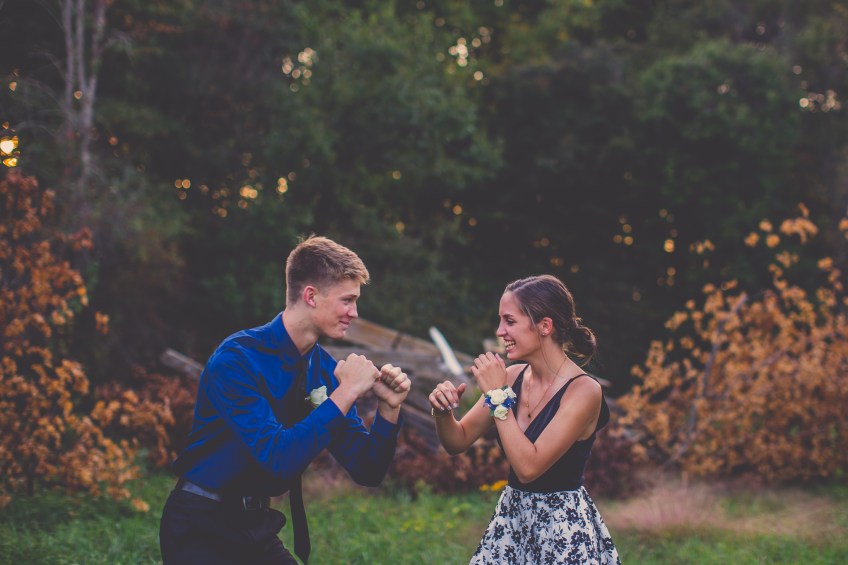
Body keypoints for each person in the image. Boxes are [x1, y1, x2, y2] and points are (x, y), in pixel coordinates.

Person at [160, 235, 411, 565]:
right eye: (347, 300)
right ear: (311, 296)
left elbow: (368, 469)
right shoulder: (237, 360)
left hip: (255, 526)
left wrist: (389, 408)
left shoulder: (324, 370)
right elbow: (277, 457)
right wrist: (347, 392)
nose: (354, 312)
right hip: (200, 526)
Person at [429, 274, 620, 564]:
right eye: (500, 321)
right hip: (512, 521)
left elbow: (529, 468)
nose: (500, 331)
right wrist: (443, 411)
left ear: (544, 326)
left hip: (561, 529)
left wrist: (497, 397)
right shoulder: (512, 377)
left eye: (510, 321)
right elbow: (458, 441)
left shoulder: (584, 390)